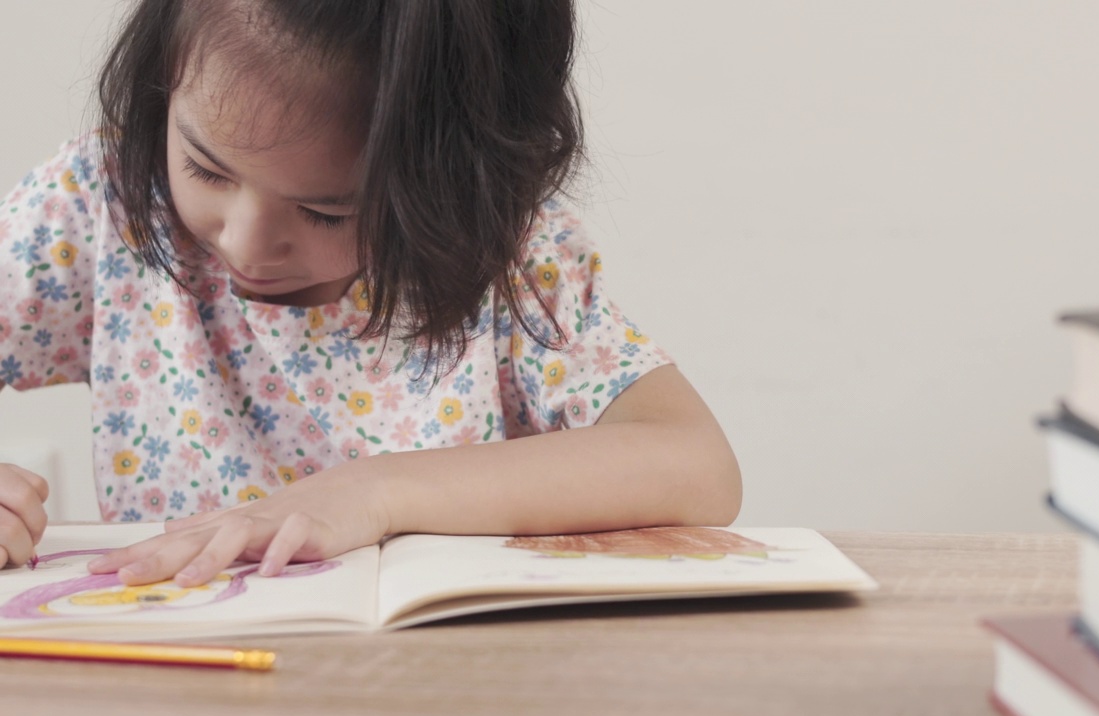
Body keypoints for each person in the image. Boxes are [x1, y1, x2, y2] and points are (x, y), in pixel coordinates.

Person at [0, 0, 740, 587]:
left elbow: (695, 464)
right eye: (207, 169)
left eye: (328, 212)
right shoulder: (107, 208)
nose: (247, 242)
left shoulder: (504, 262)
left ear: (456, 182)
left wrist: (373, 494)